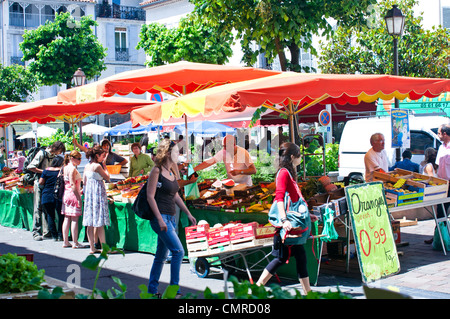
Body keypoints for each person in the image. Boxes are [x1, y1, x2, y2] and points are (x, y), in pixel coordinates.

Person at [256, 142, 318, 294]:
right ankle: (257, 287)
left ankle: (308, 293)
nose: (301, 158)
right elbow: (278, 198)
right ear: (292, 157)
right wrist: (284, 221)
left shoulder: (288, 173)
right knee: (280, 259)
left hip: (292, 225)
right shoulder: (284, 173)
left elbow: (293, 201)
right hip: (287, 227)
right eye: (299, 156)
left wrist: (307, 216)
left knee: (300, 258)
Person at [146, 139, 196, 297]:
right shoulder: (156, 171)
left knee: (160, 256)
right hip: (160, 218)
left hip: (171, 218)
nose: (178, 155)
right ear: (168, 153)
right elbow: (150, 196)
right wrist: (160, 219)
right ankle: (175, 290)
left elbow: (175, 195)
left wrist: (188, 213)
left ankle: (152, 291)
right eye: (176, 152)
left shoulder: (171, 172)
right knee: (178, 251)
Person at [27, 141, 66, 241]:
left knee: (47, 209)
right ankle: (36, 231)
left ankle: (47, 231)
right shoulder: (42, 153)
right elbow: (30, 167)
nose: (59, 153)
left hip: (48, 183)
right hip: (39, 183)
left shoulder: (53, 156)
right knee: (38, 207)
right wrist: (45, 172)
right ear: (56, 148)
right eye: (60, 151)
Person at [425, 124, 450, 245]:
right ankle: (438, 235)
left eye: (439, 133)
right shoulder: (441, 148)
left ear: (445, 134)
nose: (438, 135)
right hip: (443, 183)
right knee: (440, 211)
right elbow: (438, 166)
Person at [83, 146, 111, 254]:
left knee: (90, 222)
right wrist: (105, 165)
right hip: (98, 194)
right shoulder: (97, 166)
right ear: (97, 156)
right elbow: (107, 177)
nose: (103, 157)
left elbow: (85, 182)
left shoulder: (87, 166)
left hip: (90, 195)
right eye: (102, 156)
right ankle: (104, 247)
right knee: (99, 222)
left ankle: (92, 247)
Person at [61, 150, 85, 249]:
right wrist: (78, 198)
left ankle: (66, 241)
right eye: (78, 158)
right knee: (74, 219)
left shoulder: (65, 168)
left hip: (66, 194)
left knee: (67, 218)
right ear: (72, 158)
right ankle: (75, 242)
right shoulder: (72, 169)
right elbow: (72, 184)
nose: (80, 160)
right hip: (73, 195)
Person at [39, 156, 64, 241]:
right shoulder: (61, 171)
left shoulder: (46, 171)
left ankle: (54, 235)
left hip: (47, 194)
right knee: (61, 216)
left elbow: (41, 182)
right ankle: (61, 235)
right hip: (58, 195)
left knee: (50, 215)